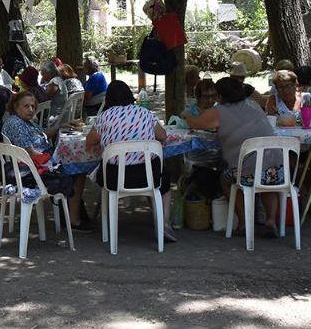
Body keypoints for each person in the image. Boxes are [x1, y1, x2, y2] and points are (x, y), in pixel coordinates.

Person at [182, 77, 281, 236]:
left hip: (246, 173)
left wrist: (187, 115)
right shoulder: (254, 105)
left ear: (220, 96)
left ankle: (243, 221)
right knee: (266, 181)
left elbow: (196, 124)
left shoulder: (219, 111)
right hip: (277, 169)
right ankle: (270, 220)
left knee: (226, 179)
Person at [84, 81, 176, 242]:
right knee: (165, 181)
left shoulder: (104, 117)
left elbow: (89, 141)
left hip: (113, 178)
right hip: (148, 176)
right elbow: (162, 136)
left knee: (102, 173)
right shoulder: (145, 113)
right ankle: (164, 224)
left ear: (109, 99)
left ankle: (106, 227)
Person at [1, 91, 85, 230]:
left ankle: (70, 214)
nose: (30, 110)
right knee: (79, 169)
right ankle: (73, 219)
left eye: (33, 106)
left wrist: (61, 126)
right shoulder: (16, 124)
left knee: (74, 165)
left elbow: (42, 135)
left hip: (37, 164)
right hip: (33, 170)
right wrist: (55, 159)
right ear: (16, 107)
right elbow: (29, 152)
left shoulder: (26, 122)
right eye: (26, 106)